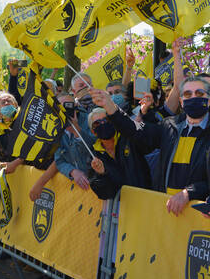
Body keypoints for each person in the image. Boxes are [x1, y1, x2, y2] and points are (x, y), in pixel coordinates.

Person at [90, 75, 210, 216]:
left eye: (199, 93)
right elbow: (137, 130)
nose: (193, 98)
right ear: (181, 102)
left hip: (198, 219)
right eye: (188, 94)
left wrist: (188, 194)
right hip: (164, 214)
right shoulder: (169, 126)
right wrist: (110, 107)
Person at [88, 108, 151, 200]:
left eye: (106, 120)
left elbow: (147, 142)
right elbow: (104, 194)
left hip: (149, 195)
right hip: (125, 207)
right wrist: (101, 174)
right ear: (93, 132)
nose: (103, 124)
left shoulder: (128, 137)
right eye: (97, 123)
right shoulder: (94, 157)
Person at [54, 94, 93, 190]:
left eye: (68, 105)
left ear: (75, 107)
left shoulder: (89, 120)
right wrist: (72, 171)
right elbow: (59, 160)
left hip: (96, 182)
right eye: (60, 106)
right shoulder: (55, 128)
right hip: (78, 188)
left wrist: (76, 131)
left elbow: (93, 150)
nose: (64, 110)